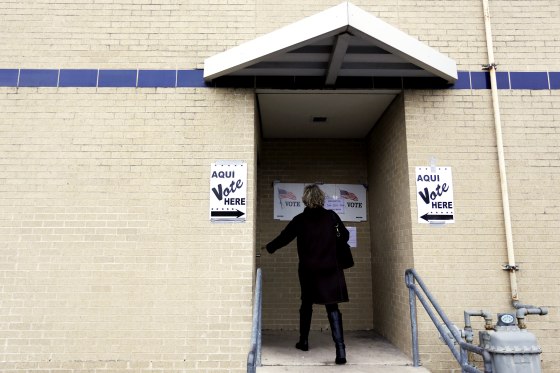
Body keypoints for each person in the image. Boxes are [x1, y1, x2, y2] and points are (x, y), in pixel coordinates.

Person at [262, 184, 350, 365]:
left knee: (306, 304)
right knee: (332, 307)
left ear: (305, 199)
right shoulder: (332, 217)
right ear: (321, 198)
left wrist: (269, 247)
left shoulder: (300, 220)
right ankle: (340, 350)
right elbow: (345, 236)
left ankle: (304, 341)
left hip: (308, 270)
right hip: (330, 270)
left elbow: (284, 237)